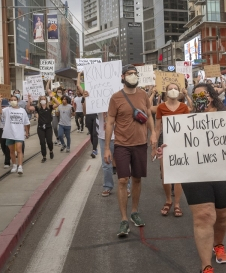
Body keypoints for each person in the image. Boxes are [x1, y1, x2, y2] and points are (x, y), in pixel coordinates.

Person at [155, 82, 226, 273]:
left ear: (212, 96)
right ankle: (205, 268)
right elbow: (175, 141)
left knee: (223, 214)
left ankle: (218, 244)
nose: (201, 98)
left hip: (225, 170)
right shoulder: (186, 118)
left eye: (205, 95)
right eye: (197, 95)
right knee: (204, 216)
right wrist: (165, 149)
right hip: (195, 172)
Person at [104, 65, 155, 237]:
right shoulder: (116, 98)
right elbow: (110, 122)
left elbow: (148, 114)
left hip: (140, 143)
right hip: (121, 144)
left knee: (137, 179)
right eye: (129, 74)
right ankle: (124, 219)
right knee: (122, 180)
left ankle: (134, 211)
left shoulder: (143, 95)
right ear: (123, 76)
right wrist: (106, 149)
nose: (133, 76)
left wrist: (153, 133)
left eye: (135, 74)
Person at [151, 83, 190, 218]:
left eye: (175, 88)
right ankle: (168, 200)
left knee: (178, 174)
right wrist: (154, 146)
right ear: (166, 92)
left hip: (180, 142)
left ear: (179, 92)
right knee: (166, 174)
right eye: (170, 89)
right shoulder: (161, 107)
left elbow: (188, 127)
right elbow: (157, 128)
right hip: (165, 142)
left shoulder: (184, 107)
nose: (173, 90)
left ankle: (177, 204)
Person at [0, 95, 30, 175]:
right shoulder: (7, 110)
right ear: (9, 101)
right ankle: (14, 165)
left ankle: (20, 166)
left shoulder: (22, 110)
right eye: (11, 100)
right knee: (11, 151)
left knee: (19, 150)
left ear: (17, 101)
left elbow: (27, 123)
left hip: (19, 133)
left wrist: (27, 132)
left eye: (14, 100)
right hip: (9, 133)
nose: (13, 101)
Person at [27, 94, 55, 163]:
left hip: (48, 127)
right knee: (42, 142)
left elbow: (57, 104)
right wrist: (29, 100)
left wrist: (53, 97)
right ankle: (44, 156)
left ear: (46, 100)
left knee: (49, 141)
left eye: (44, 99)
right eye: (41, 99)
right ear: (40, 101)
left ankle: (51, 151)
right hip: (40, 127)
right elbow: (29, 108)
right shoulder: (38, 108)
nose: (43, 100)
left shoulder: (49, 107)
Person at [77, 75, 98, 159]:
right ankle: (94, 147)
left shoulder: (97, 93)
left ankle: (94, 150)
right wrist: (79, 74)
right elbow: (78, 85)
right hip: (88, 115)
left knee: (95, 133)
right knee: (91, 134)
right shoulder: (85, 93)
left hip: (96, 115)